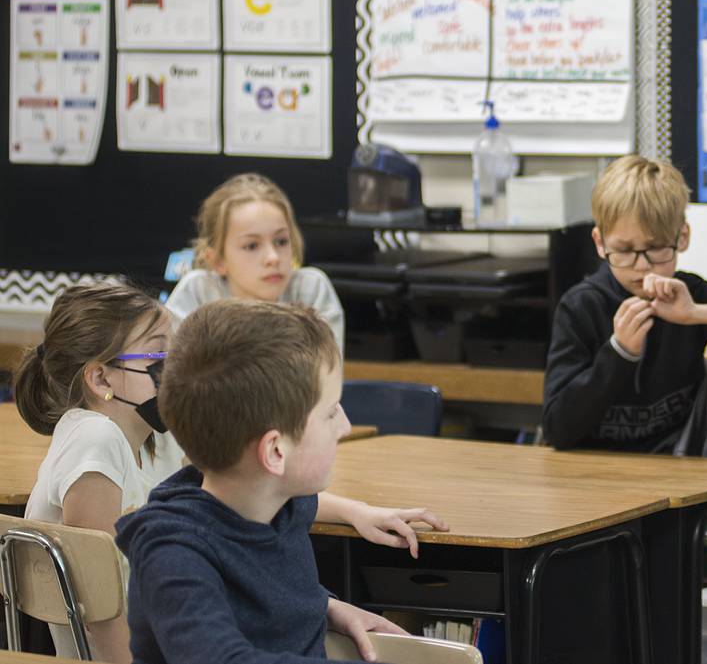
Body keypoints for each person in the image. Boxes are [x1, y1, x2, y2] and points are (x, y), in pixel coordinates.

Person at [15, 283, 447, 663]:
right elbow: (102, 600)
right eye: (157, 354)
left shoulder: (164, 444)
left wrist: (331, 588)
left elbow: (248, 487)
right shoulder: (107, 451)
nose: (171, 368)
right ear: (100, 376)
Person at [116, 299, 401, 664]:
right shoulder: (172, 551)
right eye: (331, 413)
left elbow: (269, 589)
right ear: (275, 453)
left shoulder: (283, 503)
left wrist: (326, 606)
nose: (345, 427)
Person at [542, 154, 707, 581]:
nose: (642, 267)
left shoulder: (687, 291)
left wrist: (698, 313)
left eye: (657, 249)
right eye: (625, 251)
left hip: (680, 457)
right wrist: (619, 353)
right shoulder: (581, 305)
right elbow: (558, 428)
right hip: (599, 470)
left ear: (682, 237)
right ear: (600, 243)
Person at [166, 174, 344, 351]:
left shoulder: (311, 290)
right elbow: (171, 371)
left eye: (281, 241)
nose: (273, 258)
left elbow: (325, 374)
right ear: (218, 261)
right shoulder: (197, 291)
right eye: (252, 246)